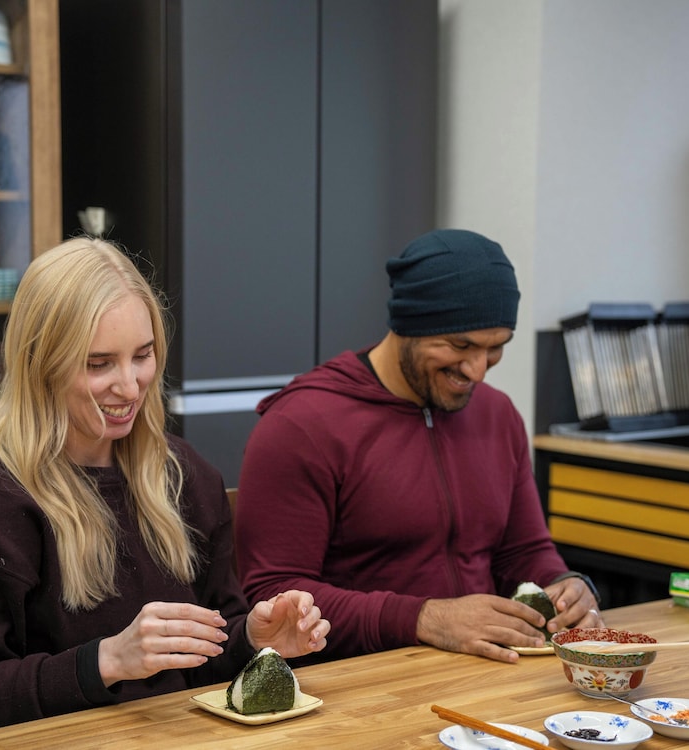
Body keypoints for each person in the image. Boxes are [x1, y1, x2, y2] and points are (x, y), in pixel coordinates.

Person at [0, 237, 330, 741]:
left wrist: (252, 641)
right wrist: (105, 661)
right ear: (40, 363)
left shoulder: (187, 477)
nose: (130, 386)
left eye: (142, 356)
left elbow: (206, 666)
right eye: (98, 363)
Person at [234, 228, 601, 665]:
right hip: (356, 689)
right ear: (406, 326)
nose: (478, 371)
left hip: (486, 676)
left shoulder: (498, 415)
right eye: (460, 345)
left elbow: (523, 551)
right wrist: (422, 618)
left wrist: (565, 585)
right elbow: (274, 597)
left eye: (496, 348)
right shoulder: (302, 425)